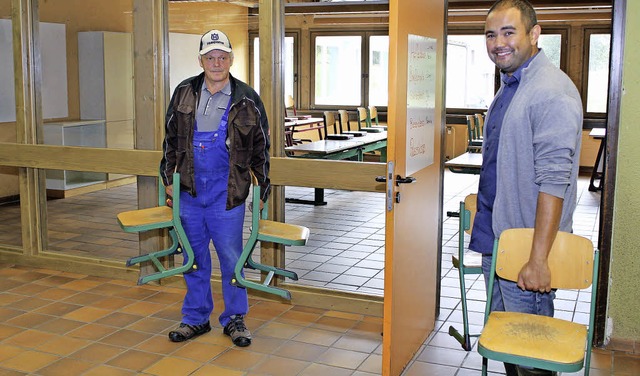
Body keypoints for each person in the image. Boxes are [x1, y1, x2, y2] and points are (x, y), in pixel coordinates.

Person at [468, 1, 583, 375]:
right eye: (490, 34)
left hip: (526, 251)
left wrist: (538, 259)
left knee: (531, 356)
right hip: (497, 241)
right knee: (506, 346)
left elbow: (554, 181)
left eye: (508, 32)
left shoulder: (551, 91)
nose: (498, 42)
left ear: (534, 34)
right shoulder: (511, 87)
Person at [160, 29, 270, 347]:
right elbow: (170, 140)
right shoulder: (183, 92)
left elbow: (261, 147)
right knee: (193, 256)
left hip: (227, 191)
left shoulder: (247, 98)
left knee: (231, 257)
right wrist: (168, 180)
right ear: (201, 60)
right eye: (211, 57)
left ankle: (234, 318)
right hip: (190, 189)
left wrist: (263, 190)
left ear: (231, 60)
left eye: (223, 57)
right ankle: (195, 318)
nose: (217, 62)